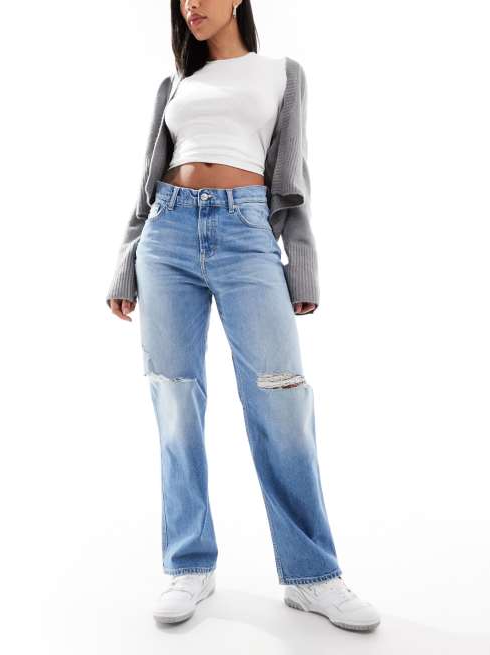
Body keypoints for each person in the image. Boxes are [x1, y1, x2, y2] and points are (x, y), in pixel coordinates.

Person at [106, 0, 381, 632]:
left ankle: (312, 576)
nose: (190, 5)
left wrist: (301, 265)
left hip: (247, 233)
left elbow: (294, 175)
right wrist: (126, 262)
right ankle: (189, 564)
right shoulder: (176, 82)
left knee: (281, 399)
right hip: (166, 235)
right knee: (175, 399)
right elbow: (147, 181)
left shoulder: (282, 73)